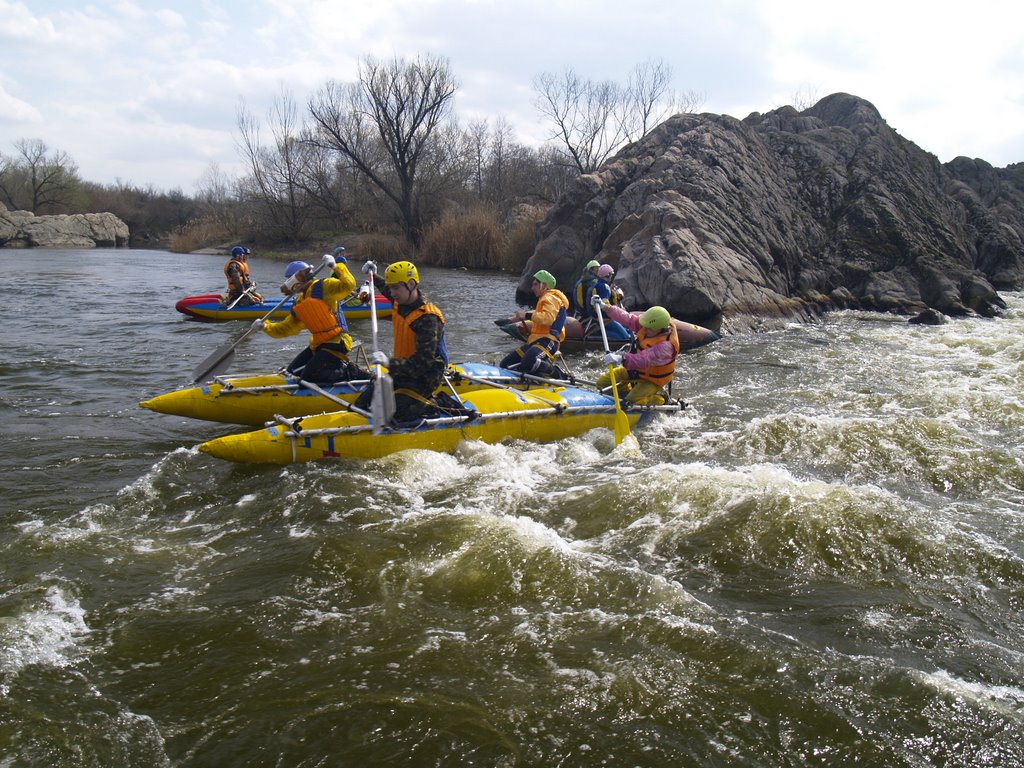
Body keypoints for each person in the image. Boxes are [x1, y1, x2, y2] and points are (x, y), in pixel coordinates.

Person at [353, 259, 450, 423]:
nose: (391, 292)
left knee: (397, 412)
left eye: (395, 287)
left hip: (425, 375)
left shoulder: (428, 318)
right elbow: (385, 287)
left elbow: (422, 363)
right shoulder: (399, 298)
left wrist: (389, 363)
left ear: (411, 284)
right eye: (391, 287)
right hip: (404, 369)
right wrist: (372, 274)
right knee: (363, 404)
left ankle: (434, 403)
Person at [251, 254, 365, 384]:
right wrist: (265, 326)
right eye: (288, 280)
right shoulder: (300, 301)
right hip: (318, 344)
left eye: (290, 279)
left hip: (338, 342)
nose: (289, 283)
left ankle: (351, 371)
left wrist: (335, 266)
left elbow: (348, 285)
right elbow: (286, 328)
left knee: (308, 377)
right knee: (291, 373)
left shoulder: (324, 286)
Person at [594, 301, 680, 405]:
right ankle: (625, 393)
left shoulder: (666, 347)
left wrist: (622, 358)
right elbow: (629, 319)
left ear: (660, 329)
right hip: (636, 371)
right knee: (601, 384)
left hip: (653, 380)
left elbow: (643, 359)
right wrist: (608, 308)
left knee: (633, 402)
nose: (645, 329)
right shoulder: (650, 327)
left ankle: (661, 399)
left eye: (649, 328)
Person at [499, 270, 570, 379]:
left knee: (529, 360)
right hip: (536, 341)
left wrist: (526, 315)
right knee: (505, 364)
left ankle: (558, 374)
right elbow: (541, 320)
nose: (532, 288)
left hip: (548, 340)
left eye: (535, 284)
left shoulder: (550, 297)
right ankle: (529, 375)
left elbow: (548, 318)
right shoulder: (544, 299)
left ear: (544, 285)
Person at [584, 264, 630, 341]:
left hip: (596, 316)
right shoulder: (604, 287)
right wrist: (616, 311)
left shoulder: (596, 284)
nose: (611, 277)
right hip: (604, 319)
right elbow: (605, 303)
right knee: (625, 337)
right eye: (611, 275)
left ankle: (598, 332)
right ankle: (598, 334)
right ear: (608, 275)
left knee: (626, 331)